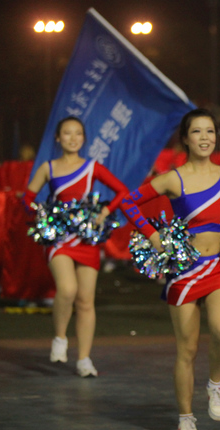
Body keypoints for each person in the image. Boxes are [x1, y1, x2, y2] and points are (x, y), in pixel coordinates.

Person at [119, 109, 220, 430]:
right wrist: (153, 236)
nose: (205, 137)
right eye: (197, 131)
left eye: (210, 131)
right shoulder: (173, 179)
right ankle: (186, 418)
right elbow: (129, 203)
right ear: (185, 139)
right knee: (187, 349)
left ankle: (215, 384)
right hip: (185, 270)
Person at [23, 116, 129, 377]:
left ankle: (84, 359)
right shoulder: (48, 167)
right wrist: (41, 214)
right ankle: (60, 337)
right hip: (59, 239)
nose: (73, 138)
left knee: (85, 301)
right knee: (68, 289)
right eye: (67, 133)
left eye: (78, 133)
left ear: (84, 138)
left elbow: (122, 191)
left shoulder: (92, 167)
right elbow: (28, 198)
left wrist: (105, 212)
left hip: (86, 239)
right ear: (58, 138)